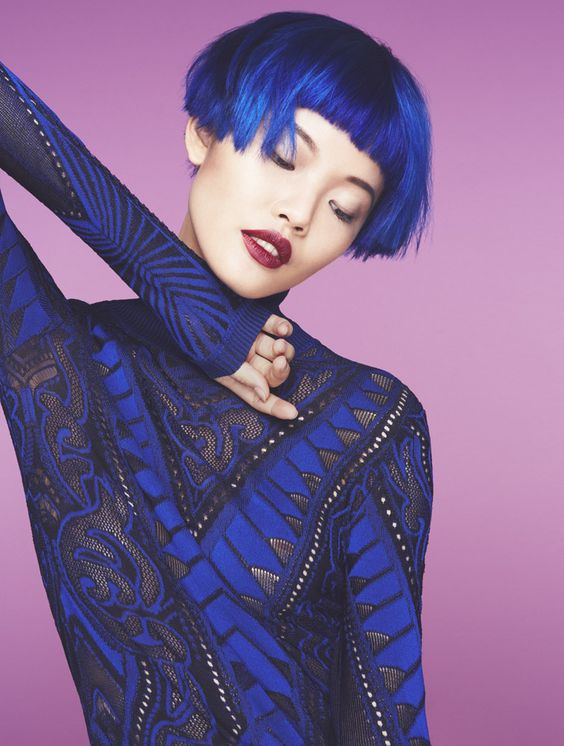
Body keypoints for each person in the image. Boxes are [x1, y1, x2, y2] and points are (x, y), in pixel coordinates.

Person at [0, 10, 434, 746]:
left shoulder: (368, 421)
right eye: (284, 156)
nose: (299, 213)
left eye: (343, 207)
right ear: (202, 131)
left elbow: (387, 723)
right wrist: (185, 300)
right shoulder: (54, 358)